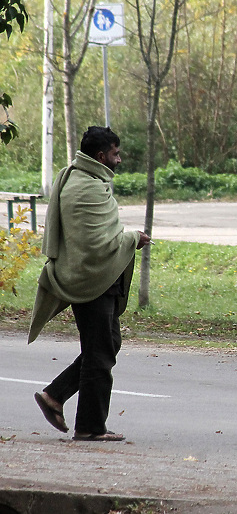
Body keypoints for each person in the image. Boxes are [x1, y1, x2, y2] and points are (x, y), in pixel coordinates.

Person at [29, 126, 150, 442]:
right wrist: (132, 238)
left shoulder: (79, 177)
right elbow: (96, 244)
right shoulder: (87, 188)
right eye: (115, 153)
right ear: (101, 155)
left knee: (107, 346)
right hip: (93, 279)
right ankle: (90, 427)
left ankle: (55, 395)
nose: (119, 159)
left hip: (97, 277)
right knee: (99, 354)